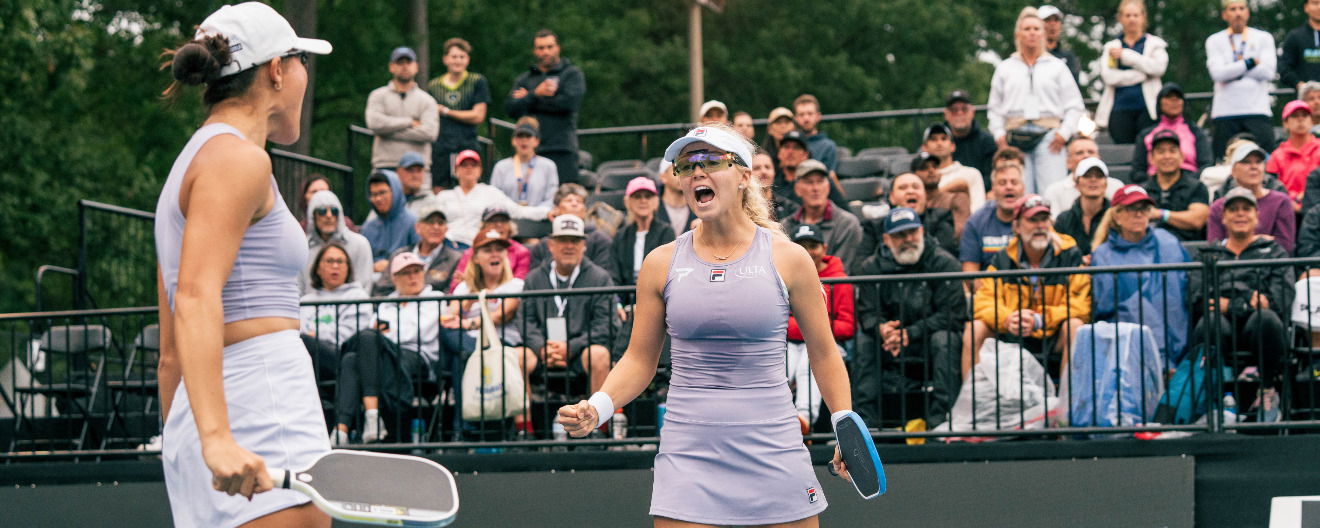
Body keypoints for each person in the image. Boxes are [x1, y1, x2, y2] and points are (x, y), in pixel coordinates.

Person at [555, 123, 854, 526]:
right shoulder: (660, 263)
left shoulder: (790, 258)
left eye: (712, 160)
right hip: (688, 452)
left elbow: (823, 352)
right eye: (686, 164)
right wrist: (598, 407)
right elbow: (640, 360)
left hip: (774, 448)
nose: (697, 171)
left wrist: (844, 425)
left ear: (745, 175)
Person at [154, 3, 333, 523]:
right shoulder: (237, 159)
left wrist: (193, 439)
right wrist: (216, 437)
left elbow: (170, 356)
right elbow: (194, 297)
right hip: (259, 400)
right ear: (277, 68)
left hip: (209, 414)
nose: (303, 75)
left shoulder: (189, 166)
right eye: (301, 62)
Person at [854, 207, 964, 427]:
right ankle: (866, 424)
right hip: (888, 343)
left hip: (927, 339)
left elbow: (952, 314)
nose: (908, 239)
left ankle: (942, 422)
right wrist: (882, 329)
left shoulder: (944, 263)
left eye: (912, 232)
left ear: (922, 231)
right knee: (863, 342)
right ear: (886, 239)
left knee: (946, 340)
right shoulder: (871, 267)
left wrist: (910, 333)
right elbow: (867, 312)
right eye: (900, 235)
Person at [1194, 187, 1292, 422]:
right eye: (1234, 209)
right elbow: (1198, 298)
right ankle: (1221, 395)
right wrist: (1249, 299)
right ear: (1223, 217)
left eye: (1246, 209)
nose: (1240, 214)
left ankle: (1268, 389)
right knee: (1211, 321)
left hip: (1258, 327)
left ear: (1257, 216)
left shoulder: (1273, 252)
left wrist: (1231, 303)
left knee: (1266, 318)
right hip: (1223, 325)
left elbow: (1279, 300)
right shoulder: (1208, 255)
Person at [970, 194, 1090, 379]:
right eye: (1032, 220)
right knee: (975, 329)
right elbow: (983, 302)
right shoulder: (1002, 258)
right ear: (1016, 226)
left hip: (1053, 334)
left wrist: (1041, 319)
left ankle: (1069, 404)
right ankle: (974, 404)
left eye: (1044, 219)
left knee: (1075, 326)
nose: (1040, 226)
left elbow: (1081, 305)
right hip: (1012, 333)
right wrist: (1007, 319)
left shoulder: (1070, 255)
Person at [332, 252, 443, 445]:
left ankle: (348, 427)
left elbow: (419, 333)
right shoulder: (386, 304)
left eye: (417, 271)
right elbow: (380, 335)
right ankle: (353, 425)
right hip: (384, 356)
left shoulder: (435, 298)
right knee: (352, 358)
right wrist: (384, 335)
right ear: (395, 278)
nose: (413, 277)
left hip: (418, 356)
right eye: (406, 273)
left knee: (366, 339)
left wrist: (387, 333)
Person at [989, 7, 1086, 195]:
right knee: (1020, 193)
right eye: (1027, 29)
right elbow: (994, 108)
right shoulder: (1005, 68)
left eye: (1036, 28)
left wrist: (1064, 133)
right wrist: (999, 134)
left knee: (1051, 192)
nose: (1032, 33)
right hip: (1014, 137)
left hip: (1049, 137)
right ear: (1018, 34)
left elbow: (1075, 106)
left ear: (1043, 33)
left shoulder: (1057, 67)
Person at [1089, 185, 1190, 363]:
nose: (1138, 214)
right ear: (1117, 216)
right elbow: (1104, 306)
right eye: (1131, 209)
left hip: (1177, 342)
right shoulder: (1103, 255)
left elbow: (1187, 287)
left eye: (1143, 209)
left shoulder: (1168, 241)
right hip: (1126, 348)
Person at [442, 228, 529, 430]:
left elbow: (501, 315)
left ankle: (463, 427)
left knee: (462, 356)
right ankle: (467, 425)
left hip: (500, 343)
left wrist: (467, 322)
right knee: (453, 340)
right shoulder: (464, 288)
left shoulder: (515, 285)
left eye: (499, 249)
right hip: (468, 344)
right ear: (476, 258)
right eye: (488, 250)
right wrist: (468, 301)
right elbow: (448, 318)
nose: (495, 254)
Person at [522, 215, 616, 396]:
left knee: (599, 355)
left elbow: (604, 325)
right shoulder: (534, 278)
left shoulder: (600, 278)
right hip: (544, 352)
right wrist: (542, 347)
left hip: (580, 351)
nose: (569, 246)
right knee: (517, 357)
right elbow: (525, 320)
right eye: (563, 240)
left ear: (584, 246)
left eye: (575, 241)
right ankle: (524, 425)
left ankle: (600, 423)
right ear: (551, 245)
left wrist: (570, 348)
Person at [784, 224, 853, 429]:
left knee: (808, 363)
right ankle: (780, 421)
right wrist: (808, 325)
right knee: (783, 366)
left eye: (812, 246)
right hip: (789, 342)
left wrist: (810, 327)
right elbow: (776, 319)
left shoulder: (839, 279)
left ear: (824, 247)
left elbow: (847, 326)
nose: (808, 252)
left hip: (828, 343)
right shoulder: (786, 274)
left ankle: (803, 419)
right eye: (801, 246)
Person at [505, 29, 586, 186]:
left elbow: (568, 104)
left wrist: (529, 98)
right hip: (530, 151)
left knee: (565, 198)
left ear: (558, 48)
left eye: (550, 47)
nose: (546, 52)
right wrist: (536, 93)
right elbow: (511, 109)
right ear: (534, 50)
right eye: (541, 48)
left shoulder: (571, 74)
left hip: (562, 149)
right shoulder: (526, 78)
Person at [431, 149, 551, 247]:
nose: (469, 168)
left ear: (480, 170)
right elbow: (432, 222)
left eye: (473, 165)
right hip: (449, 245)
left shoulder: (490, 192)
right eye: (464, 165)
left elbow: (518, 210)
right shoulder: (444, 196)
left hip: (478, 246)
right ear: (456, 170)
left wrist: (547, 212)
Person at [1206, 0, 1277, 161]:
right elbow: (1217, 74)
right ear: (1224, 14)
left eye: (1241, 8)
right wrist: (1249, 63)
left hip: (1257, 110)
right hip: (1224, 112)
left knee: (1267, 161)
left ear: (1247, 12)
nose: (1238, 13)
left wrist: (1232, 70)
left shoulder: (1264, 38)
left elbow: (1268, 72)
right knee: (1222, 161)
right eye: (1233, 9)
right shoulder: (1214, 40)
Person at [299, 244, 370, 392]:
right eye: (329, 261)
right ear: (318, 269)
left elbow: (350, 334)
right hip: (311, 357)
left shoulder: (358, 296)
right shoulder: (306, 301)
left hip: (342, 357)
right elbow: (299, 332)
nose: (335, 266)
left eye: (340, 261)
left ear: (348, 268)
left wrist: (316, 335)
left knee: (306, 342)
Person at [1095, 0, 1168, 144]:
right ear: (1120, 18)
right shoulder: (1111, 47)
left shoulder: (1155, 44)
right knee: (1123, 151)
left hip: (1148, 109)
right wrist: (1142, 74)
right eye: (1127, 15)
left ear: (1143, 17)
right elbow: (1109, 77)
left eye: (1135, 15)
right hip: (1119, 109)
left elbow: (1158, 68)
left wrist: (1126, 56)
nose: (1132, 19)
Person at [1207, 143, 1297, 254]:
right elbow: (1214, 248)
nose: (1254, 167)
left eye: (1258, 162)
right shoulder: (1218, 206)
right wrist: (1258, 241)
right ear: (1233, 171)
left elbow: (1285, 247)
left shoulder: (1282, 202)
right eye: (1246, 162)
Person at [427, 37, 489, 191]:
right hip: (441, 144)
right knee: (439, 188)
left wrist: (446, 111)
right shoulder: (434, 86)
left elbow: (478, 115)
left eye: (462, 57)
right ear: (445, 59)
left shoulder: (477, 81)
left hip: (467, 142)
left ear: (467, 60)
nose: (458, 61)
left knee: (470, 186)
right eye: (454, 57)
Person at [780, 159, 864, 271]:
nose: (815, 188)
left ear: (828, 187)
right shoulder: (786, 226)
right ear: (797, 189)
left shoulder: (847, 224)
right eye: (809, 182)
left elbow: (841, 271)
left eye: (820, 181)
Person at [366, 47, 439, 173]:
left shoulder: (427, 100)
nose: (405, 66)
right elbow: (374, 124)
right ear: (391, 67)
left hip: (418, 168)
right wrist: (409, 122)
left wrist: (386, 132)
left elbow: (430, 133)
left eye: (408, 62)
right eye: (400, 63)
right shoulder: (377, 96)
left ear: (416, 66)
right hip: (385, 165)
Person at [373, 204, 463, 296]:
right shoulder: (400, 255)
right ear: (417, 228)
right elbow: (381, 290)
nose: (436, 227)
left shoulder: (455, 258)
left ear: (446, 229)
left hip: (435, 308)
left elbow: (453, 294)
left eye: (440, 223)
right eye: (430, 222)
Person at [1131, 83, 1214, 180]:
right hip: (1154, 186)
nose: (1174, 101)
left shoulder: (1196, 132)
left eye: (1178, 98)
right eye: (1169, 97)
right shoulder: (1145, 135)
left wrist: (1186, 182)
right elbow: (1137, 171)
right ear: (1159, 102)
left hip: (1190, 186)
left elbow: (1206, 165)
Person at [1141, 130, 1212, 241]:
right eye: (1161, 151)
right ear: (1151, 158)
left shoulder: (1197, 187)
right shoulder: (1142, 191)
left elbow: (1197, 220)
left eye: (1172, 151)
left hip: (1189, 250)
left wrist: (1160, 214)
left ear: (1182, 156)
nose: (1167, 156)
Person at [529, 183, 616, 271]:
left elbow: (604, 277)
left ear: (585, 210)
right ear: (556, 209)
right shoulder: (543, 245)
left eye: (579, 201)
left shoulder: (600, 241)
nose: (574, 204)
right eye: (569, 201)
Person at [303, 190, 374, 295]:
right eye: (322, 211)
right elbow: (298, 287)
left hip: (352, 308)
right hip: (310, 309)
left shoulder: (360, 244)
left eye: (334, 211)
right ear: (312, 216)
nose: (329, 215)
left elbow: (365, 284)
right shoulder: (303, 248)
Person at [960, 163, 1026, 272]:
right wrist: (990, 289)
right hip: (988, 287)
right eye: (1002, 183)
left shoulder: (1036, 218)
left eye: (1014, 182)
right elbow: (970, 272)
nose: (1009, 187)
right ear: (993, 189)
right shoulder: (976, 222)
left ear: (1023, 188)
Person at [611, 177, 676, 286]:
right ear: (627, 202)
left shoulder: (666, 232)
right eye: (637, 197)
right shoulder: (620, 236)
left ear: (656, 201)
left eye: (648, 196)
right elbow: (614, 274)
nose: (643, 201)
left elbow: (666, 271)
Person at [1042, 136, 1125, 219]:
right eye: (1079, 153)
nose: (1086, 156)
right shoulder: (1054, 191)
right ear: (1068, 162)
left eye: (1091, 152)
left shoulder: (1116, 187)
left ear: (1099, 158)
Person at [448, 206, 533, 285]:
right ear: (484, 226)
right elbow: (456, 285)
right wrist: (469, 284)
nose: (499, 225)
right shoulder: (471, 252)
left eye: (503, 221)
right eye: (493, 221)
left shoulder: (521, 252)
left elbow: (520, 284)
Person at [880, 172, 957, 257]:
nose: (910, 191)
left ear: (926, 195)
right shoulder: (876, 227)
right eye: (903, 188)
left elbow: (947, 258)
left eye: (916, 187)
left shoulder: (942, 218)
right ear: (892, 197)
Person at [489, 118, 559, 207]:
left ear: (536, 141)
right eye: (520, 136)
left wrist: (534, 213)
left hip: (539, 218)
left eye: (528, 136)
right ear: (513, 141)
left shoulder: (548, 166)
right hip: (508, 218)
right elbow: (494, 197)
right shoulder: (501, 167)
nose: (524, 139)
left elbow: (551, 198)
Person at [362, 169, 419, 272]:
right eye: (373, 194)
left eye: (382, 192)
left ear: (395, 191)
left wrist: (391, 265)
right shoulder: (368, 228)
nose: (378, 199)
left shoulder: (412, 223)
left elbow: (419, 258)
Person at [923, 123, 987, 215]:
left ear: (953, 146)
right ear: (924, 147)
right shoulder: (921, 178)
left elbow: (979, 210)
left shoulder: (972, 174)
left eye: (944, 138)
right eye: (933, 139)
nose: (939, 143)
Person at [1054, 157, 1112, 256]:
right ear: (1077, 183)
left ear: (1106, 183)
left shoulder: (1116, 219)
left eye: (1099, 176)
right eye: (1087, 176)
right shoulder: (1063, 220)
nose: (1093, 180)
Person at [1267, 100, 1320, 206]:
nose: (1300, 119)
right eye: (1295, 116)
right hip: (1286, 208)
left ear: (1311, 121)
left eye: (1305, 115)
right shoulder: (1277, 155)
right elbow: (1271, 187)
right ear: (1285, 123)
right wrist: (1291, 200)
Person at [944, 89, 999, 184]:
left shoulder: (987, 141)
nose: (960, 113)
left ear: (972, 112)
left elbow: (992, 174)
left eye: (964, 109)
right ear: (946, 114)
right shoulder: (937, 142)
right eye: (954, 110)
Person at [912, 151, 973, 236]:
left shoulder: (956, 198)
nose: (931, 170)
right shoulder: (912, 203)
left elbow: (960, 234)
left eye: (935, 167)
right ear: (914, 175)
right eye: (924, 168)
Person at [1280, 0, 1320, 93]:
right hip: (1305, 102)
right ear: (1306, 7)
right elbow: (1284, 68)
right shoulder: (1294, 36)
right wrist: (1300, 85)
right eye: (1315, 3)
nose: (1319, 7)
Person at [794, 94, 839, 172]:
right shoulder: (789, 145)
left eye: (810, 114)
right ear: (796, 118)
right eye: (801, 114)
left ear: (818, 116)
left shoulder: (828, 146)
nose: (806, 118)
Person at [1038, 5, 1081, 82]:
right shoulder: (1029, 57)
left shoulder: (1069, 58)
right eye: (1047, 20)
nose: (1053, 24)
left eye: (1056, 20)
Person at [753, 150, 799, 221]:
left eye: (767, 167)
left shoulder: (791, 208)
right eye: (757, 168)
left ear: (774, 172)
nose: (764, 171)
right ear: (747, 174)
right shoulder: (741, 208)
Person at [656, 159, 696, 234]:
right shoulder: (651, 209)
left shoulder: (701, 208)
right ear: (663, 177)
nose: (683, 174)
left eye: (686, 169)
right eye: (677, 169)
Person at [394, 151, 436, 218]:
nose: (415, 175)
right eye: (410, 170)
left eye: (419, 170)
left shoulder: (431, 201)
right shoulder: (390, 199)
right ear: (398, 172)